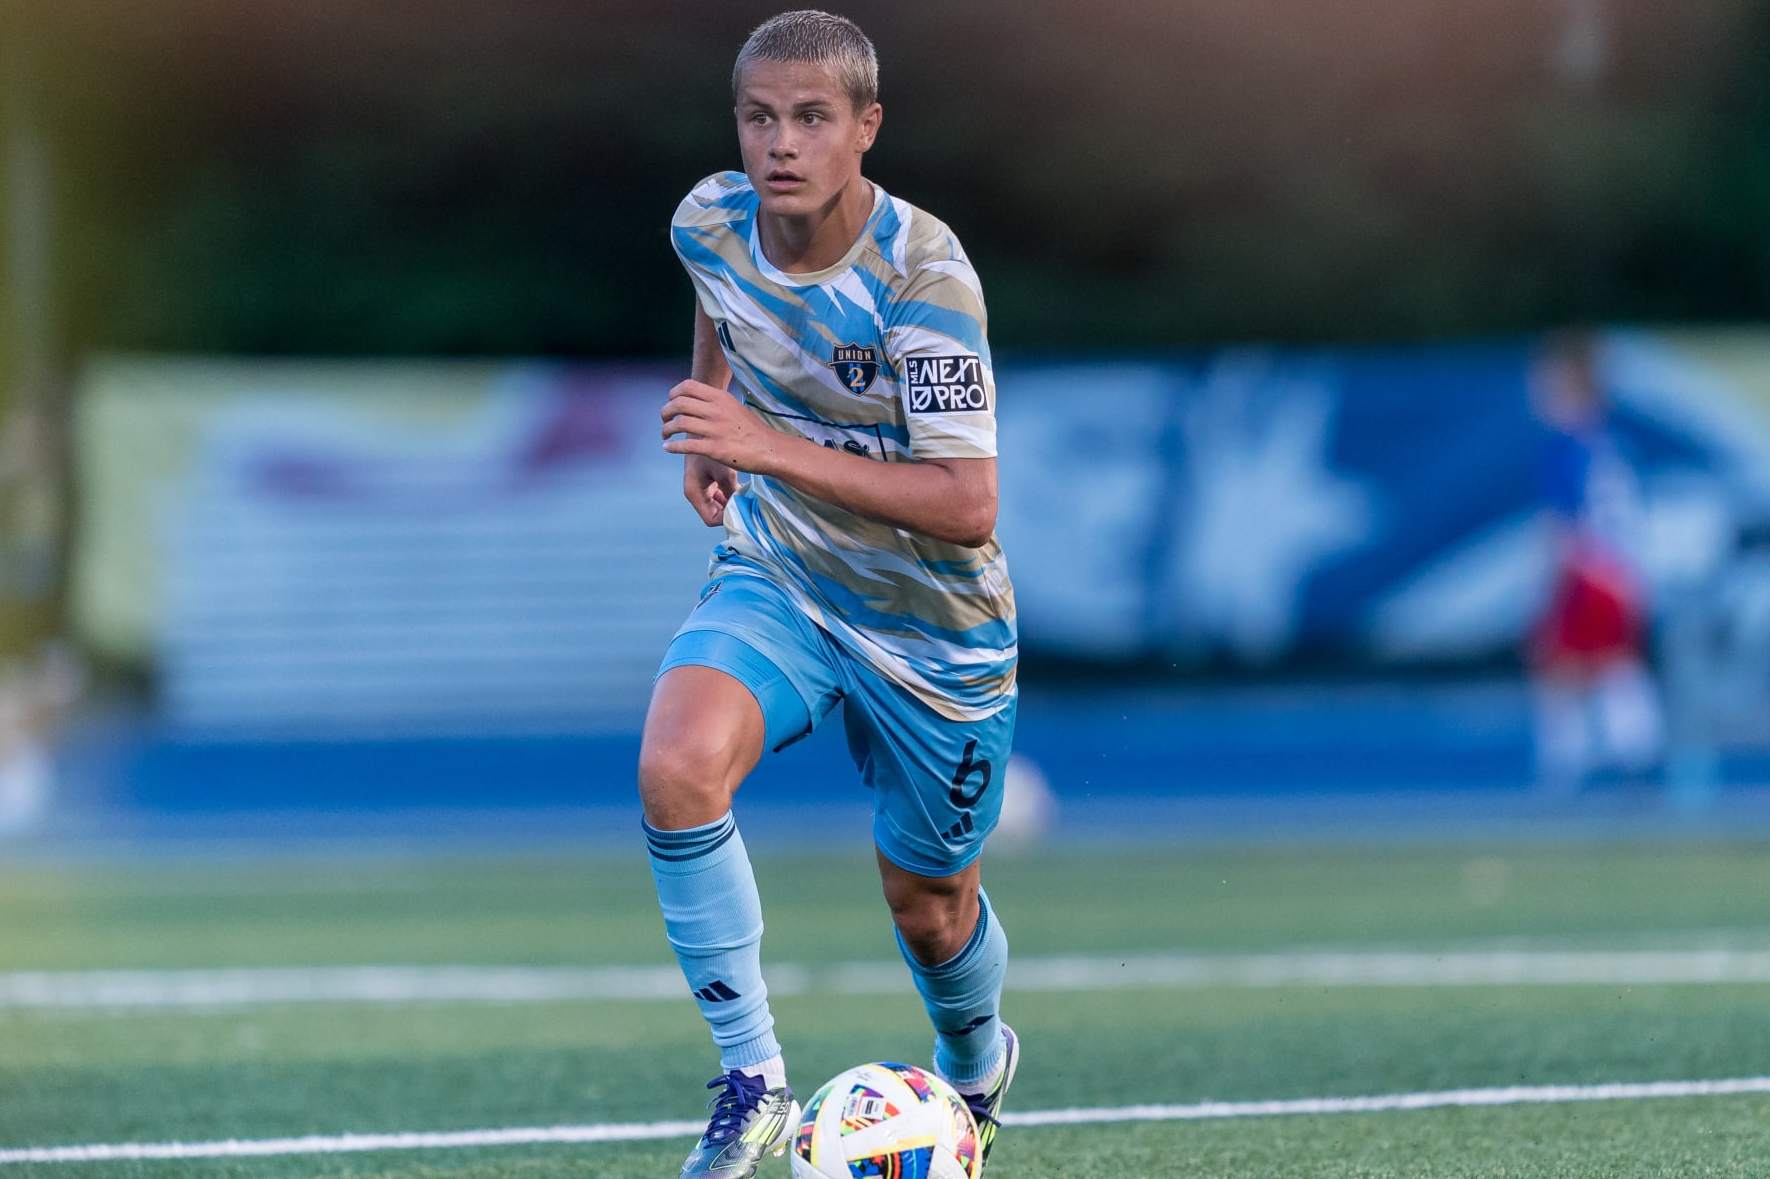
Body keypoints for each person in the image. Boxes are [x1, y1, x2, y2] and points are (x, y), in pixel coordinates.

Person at [643, 11, 1019, 1177]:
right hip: (784, 574)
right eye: (761, 117)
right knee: (676, 765)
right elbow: (721, 292)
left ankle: (973, 1062)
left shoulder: (925, 274)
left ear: (867, 128)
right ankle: (752, 1078)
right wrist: (714, 418)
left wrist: (760, 440)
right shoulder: (708, 218)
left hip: (934, 632)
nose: (781, 143)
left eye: (812, 118)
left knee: (928, 902)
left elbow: (968, 503)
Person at [1528, 331, 1664, 793]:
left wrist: (1551, 584)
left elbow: (1564, 526)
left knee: (1561, 667)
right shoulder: (1614, 443)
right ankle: (1633, 751)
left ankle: (1569, 770)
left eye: (1547, 384)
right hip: (1624, 571)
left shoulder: (1567, 446)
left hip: (1589, 570)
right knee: (1612, 661)